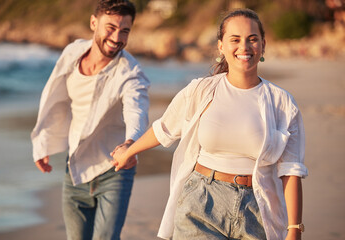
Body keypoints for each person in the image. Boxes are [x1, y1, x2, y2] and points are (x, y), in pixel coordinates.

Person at [111, 8, 307, 240]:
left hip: (258, 209)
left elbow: (291, 170)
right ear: (221, 46)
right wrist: (129, 151)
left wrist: (294, 230)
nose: (244, 47)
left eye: (252, 39)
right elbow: (165, 127)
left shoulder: (282, 103)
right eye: (235, 39)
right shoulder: (201, 90)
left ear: (263, 45)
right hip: (202, 201)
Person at [31, 0, 150, 239]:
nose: (117, 37)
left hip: (114, 169)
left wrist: (131, 142)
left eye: (125, 30)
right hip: (74, 167)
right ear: (93, 23)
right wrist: (43, 142)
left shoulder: (131, 73)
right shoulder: (73, 52)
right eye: (111, 27)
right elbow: (56, 99)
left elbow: (136, 110)